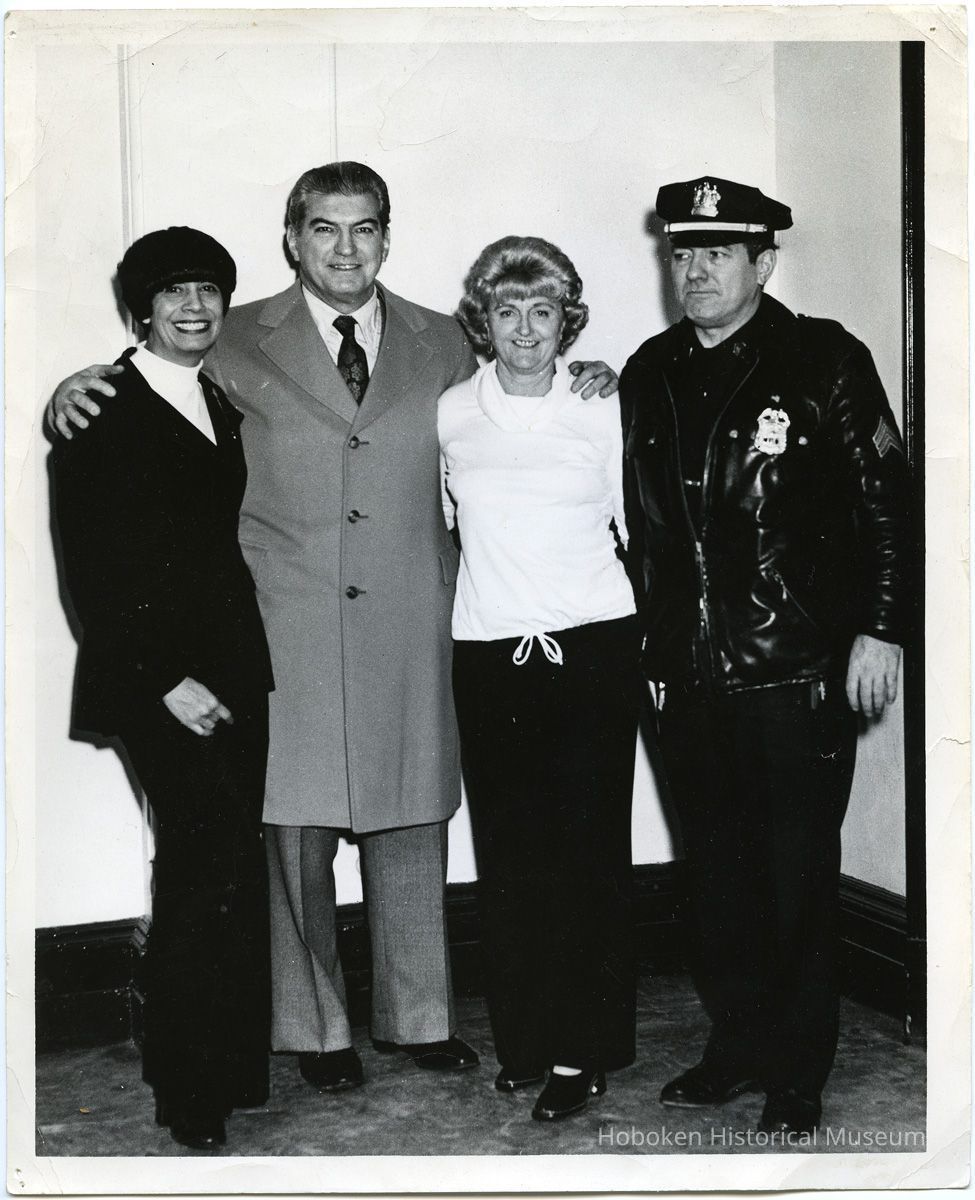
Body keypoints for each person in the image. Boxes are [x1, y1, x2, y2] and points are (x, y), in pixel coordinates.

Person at [48, 162, 617, 1094]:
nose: (344, 248)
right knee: (293, 832)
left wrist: (594, 375)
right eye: (324, 229)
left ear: (387, 237)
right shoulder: (231, 335)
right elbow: (155, 381)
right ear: (291, 238)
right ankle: (314, 1030)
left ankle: (417, 1015)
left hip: (415, 615)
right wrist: (78, 385)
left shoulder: (446, 338)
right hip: (282, 620)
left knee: (410, 820)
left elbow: (526, 393)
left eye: (363, 229)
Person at [619, 177, 910, 1135]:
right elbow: (648, 532)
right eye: (681, 252)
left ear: (762, 262)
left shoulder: (821, 357)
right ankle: (737, 1045)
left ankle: (797, 1067)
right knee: (713, 879)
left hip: (797, 670)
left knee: (791, 878)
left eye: (718, 253)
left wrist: (880, 628)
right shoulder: (647, 370)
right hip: (687, 675)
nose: (694, 270)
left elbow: (887, 505)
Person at [51, 228, 275, 1150]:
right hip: (164, 683)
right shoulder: (101, 405)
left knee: (223, 861)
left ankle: (224, 1069)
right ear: (139, 307)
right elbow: (90, 573)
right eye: (174, 292)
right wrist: (163, 685)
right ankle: (190, 1092)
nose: (195, 307)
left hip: (232, 670)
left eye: (209, 291)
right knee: (197, 866)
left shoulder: (213, 396)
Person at [440, 237, 641, 1122]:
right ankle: (526, 1041)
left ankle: (582, 1050)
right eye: (508, 311)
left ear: (569, 321)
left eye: (543, 311)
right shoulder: (451, 411)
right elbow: (452, 524)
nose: (525, 330)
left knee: (586, 858)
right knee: (510, 858)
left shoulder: (603, 407)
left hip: (591, 651)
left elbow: (636, 530)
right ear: (482, 321)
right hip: (489, 655)